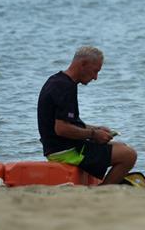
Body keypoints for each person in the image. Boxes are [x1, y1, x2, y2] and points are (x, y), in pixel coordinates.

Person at [36, 46, 137, 185]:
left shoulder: (58, 80)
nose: (95, 77)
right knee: (129, 155)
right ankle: (104, 191)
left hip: (61, 147)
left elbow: (69, 122)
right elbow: (62, 129)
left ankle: (104, 183)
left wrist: (96, 129)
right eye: (95, 71)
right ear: (83, 64)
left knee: (122, 146)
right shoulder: (65, 87)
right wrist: (94, 135)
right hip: (65, 151)